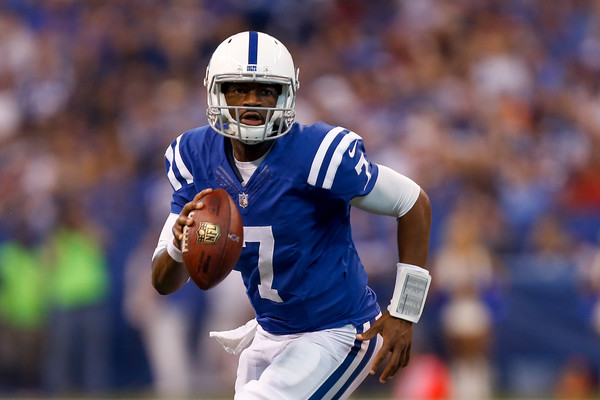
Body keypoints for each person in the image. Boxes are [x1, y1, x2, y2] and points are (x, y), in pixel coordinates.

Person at [151, 31, 432, 400]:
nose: (252, 102)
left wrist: (406, 310)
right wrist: (178, 245)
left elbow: (413, 202)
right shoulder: (194, 157)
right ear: (216, 92)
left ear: (287, 95)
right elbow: (163, 282)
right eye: (238, 89)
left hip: (337, 332)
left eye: (266, 90)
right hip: (270, 332)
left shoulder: (318, 155)